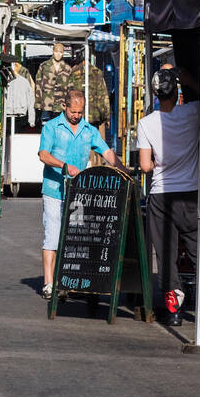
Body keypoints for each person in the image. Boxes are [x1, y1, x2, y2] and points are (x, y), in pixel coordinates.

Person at [136, 67, 200, 328]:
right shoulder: (193, 112)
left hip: (161, 196)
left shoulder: (146, 124)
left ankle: (174, 310)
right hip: (191, 194)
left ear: (154, 93)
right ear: (176, 90)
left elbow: (146, 166)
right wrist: (189, 77)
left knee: (165, 255)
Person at [37, 88, 116, 300]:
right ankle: (48, 283)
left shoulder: (89, 130)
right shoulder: (52, 127)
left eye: (80, 112)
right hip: (54, 190)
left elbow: (106, 151)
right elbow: (43, 154)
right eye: (73, 112)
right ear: (64, 107)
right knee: (52, 235)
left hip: (78, 194)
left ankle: (73, 280)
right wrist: (65, 166)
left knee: (77, 237)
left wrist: (122, 169)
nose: (76, 116)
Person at [69, 54, 111, 139]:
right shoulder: (97, 72)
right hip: (95, 115)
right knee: (95, 141)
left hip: (78, 115)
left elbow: (69, 95)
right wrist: (107, 116)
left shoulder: (74, 73)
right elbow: (104, 96)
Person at [35, 41, 72, 122]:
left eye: (61, 52)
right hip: (46, 103)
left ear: (63, 53)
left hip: (61, 104)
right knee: (45, 126)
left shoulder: (67, 68)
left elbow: (70, 88)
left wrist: (69, 104)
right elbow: (38, 85)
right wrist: (38, 102)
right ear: (53, 52)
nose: (58, 54)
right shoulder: (44, 66)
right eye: (56, 51)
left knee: (60, 126)